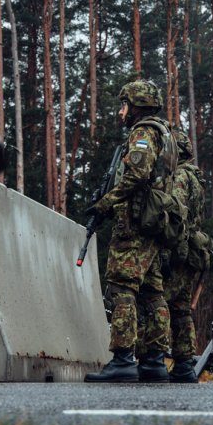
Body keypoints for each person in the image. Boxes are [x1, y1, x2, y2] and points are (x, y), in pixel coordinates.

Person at [84, 80, 177, 383]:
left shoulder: (143, 133)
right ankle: (153, 361)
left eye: (124, 105)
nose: (121, 111)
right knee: (152, 293)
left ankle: (123, 359)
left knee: (122, 287)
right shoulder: (164, 134)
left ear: (136, 105)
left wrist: (104, 203)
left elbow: (136, 175)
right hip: (152, 225)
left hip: (135, 225)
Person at [164, 131, 209, 383]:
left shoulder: (180, 176)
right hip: (190, 250)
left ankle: (154, 359)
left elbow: (174, 210)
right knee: (181, 309)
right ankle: (183, 363)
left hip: (178, 249)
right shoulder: (195, 177)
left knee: (160, 302)